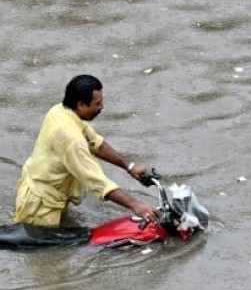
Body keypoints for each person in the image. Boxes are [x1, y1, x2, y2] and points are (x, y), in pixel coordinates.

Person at [13, 74, 159, 227]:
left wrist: (129, 167)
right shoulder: (71, 140)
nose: (102, 107)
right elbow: (97, 182)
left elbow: (95, 143)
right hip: (41, 205)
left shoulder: (60, 110)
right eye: (97, 103)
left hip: (43, 190)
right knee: (47, 248)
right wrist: (136, 205)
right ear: (81, 104)